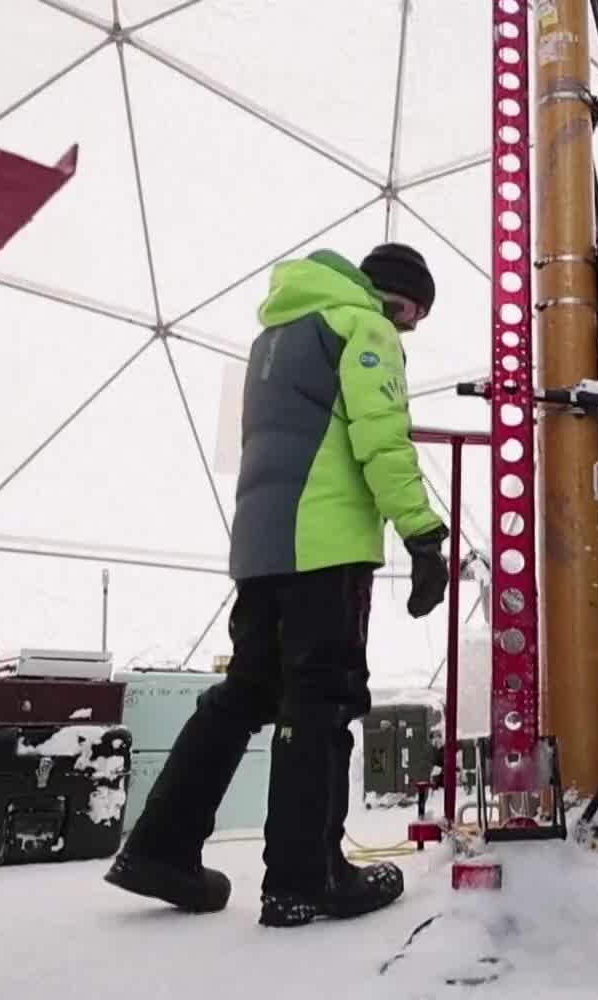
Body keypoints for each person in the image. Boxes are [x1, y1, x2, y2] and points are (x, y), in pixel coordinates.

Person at [104, 243, 451, 927]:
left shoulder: (279, 332)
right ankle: (306, 878)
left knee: (248, 692)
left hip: (259, 547)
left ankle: (160, 847)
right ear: (393, 294)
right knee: (322, 698)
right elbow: (380, 439)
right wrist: (423, 534)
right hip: (323, 546)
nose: (406, 327)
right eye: (410, 311)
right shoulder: (362, 326)